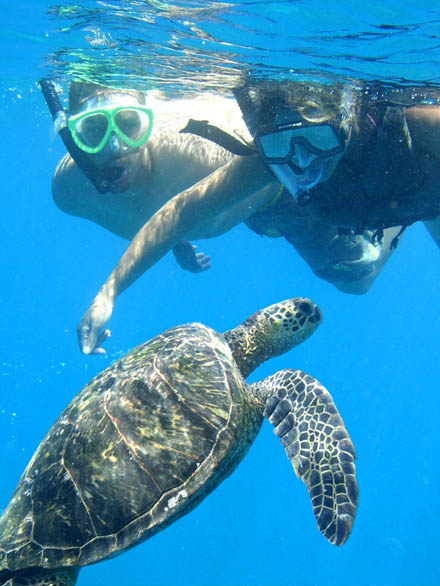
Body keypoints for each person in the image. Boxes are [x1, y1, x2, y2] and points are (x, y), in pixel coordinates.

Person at [50, 80, 440, 354]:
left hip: (399, 187)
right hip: (313, 200)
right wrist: (109, 293)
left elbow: (178, 210)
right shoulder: (266, 165)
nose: (300, 163)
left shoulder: (415, 124)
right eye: (93, 131)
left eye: (316, 142)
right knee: (357, 278)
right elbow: (175, 213)